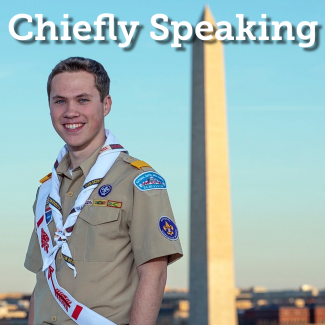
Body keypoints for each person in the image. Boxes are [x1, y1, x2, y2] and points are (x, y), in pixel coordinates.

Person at [24, 57, 183, 325]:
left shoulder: (137, 181)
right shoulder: (46, 191)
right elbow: (42, 280)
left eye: (83, 100)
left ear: (106, 105)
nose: (70, 111)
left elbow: (154, 276)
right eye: (59, 100)